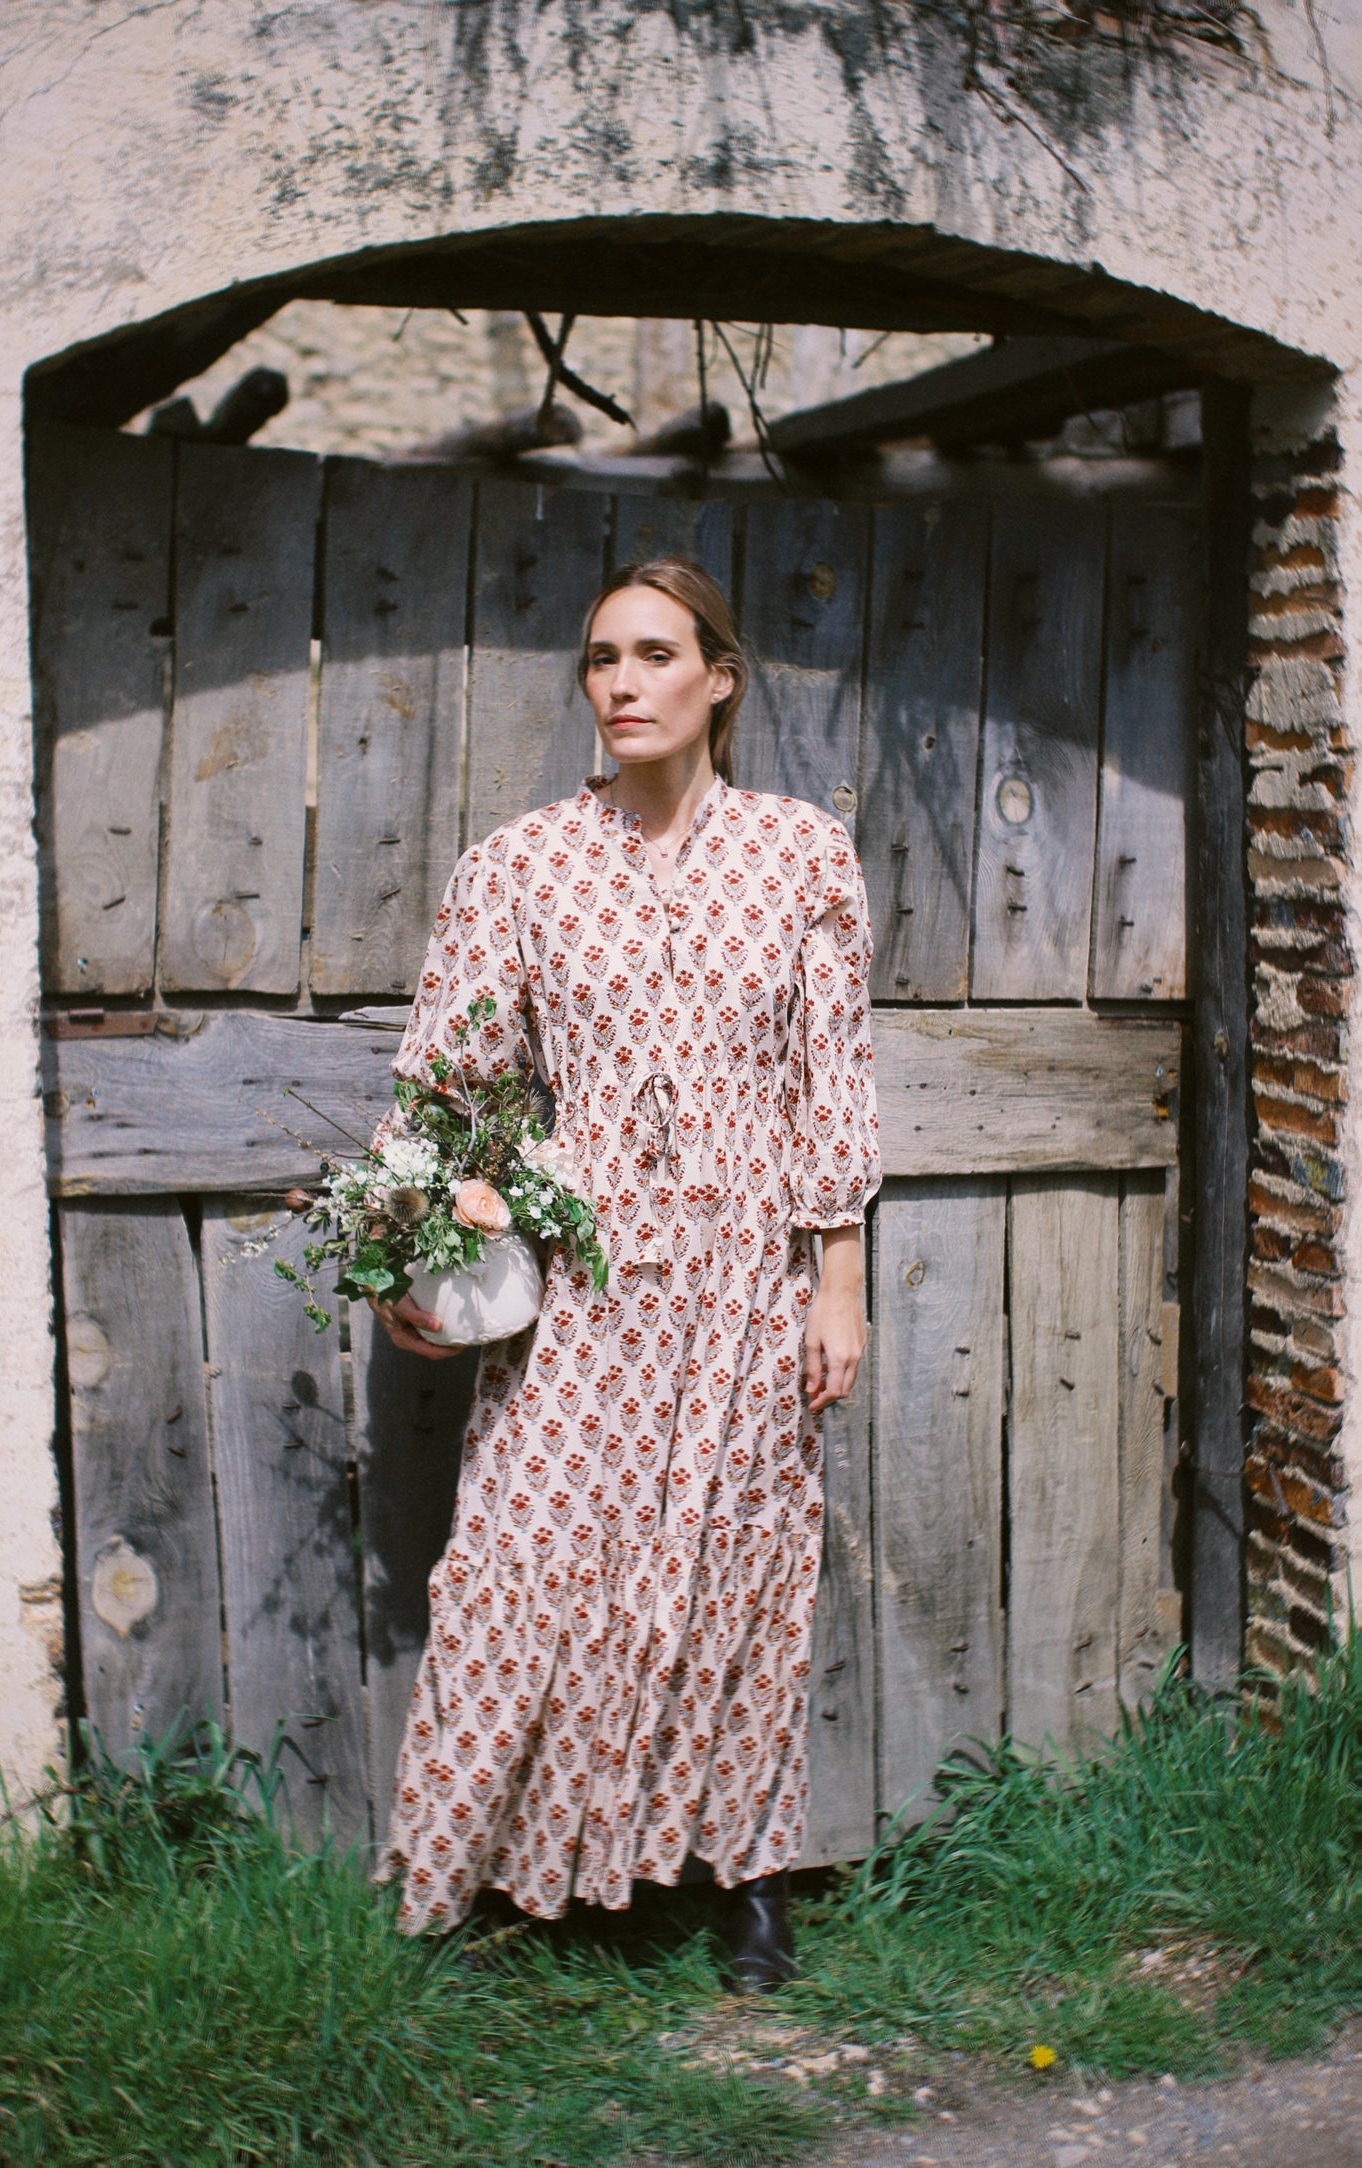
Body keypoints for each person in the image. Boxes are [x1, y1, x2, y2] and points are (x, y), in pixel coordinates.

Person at [370, 557, 882, 1987]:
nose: (620, 684)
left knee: (738, 1569)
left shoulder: (798, 856)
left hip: (741, 1279)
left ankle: (746, 1878)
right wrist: (416, 1247)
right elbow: (444, 1089)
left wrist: (833, 1286)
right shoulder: (521, 864)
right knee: (518, 1568)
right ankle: (481, 1887)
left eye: (654, 655)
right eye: (601, 657)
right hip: (585, 1283)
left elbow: (824, 1087)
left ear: (718, 677)